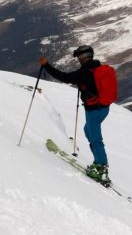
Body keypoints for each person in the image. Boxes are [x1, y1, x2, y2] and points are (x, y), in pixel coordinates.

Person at [39, 45, 112, 185]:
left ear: (81, 58)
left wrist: (47, 65)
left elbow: (64, 77)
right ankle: (99, 163)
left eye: (79, 57)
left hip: (94, 110)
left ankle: (101, 168)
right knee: (88, 131)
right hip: (104, 108)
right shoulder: (98, 67)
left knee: (95, 138)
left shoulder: (84, 72)